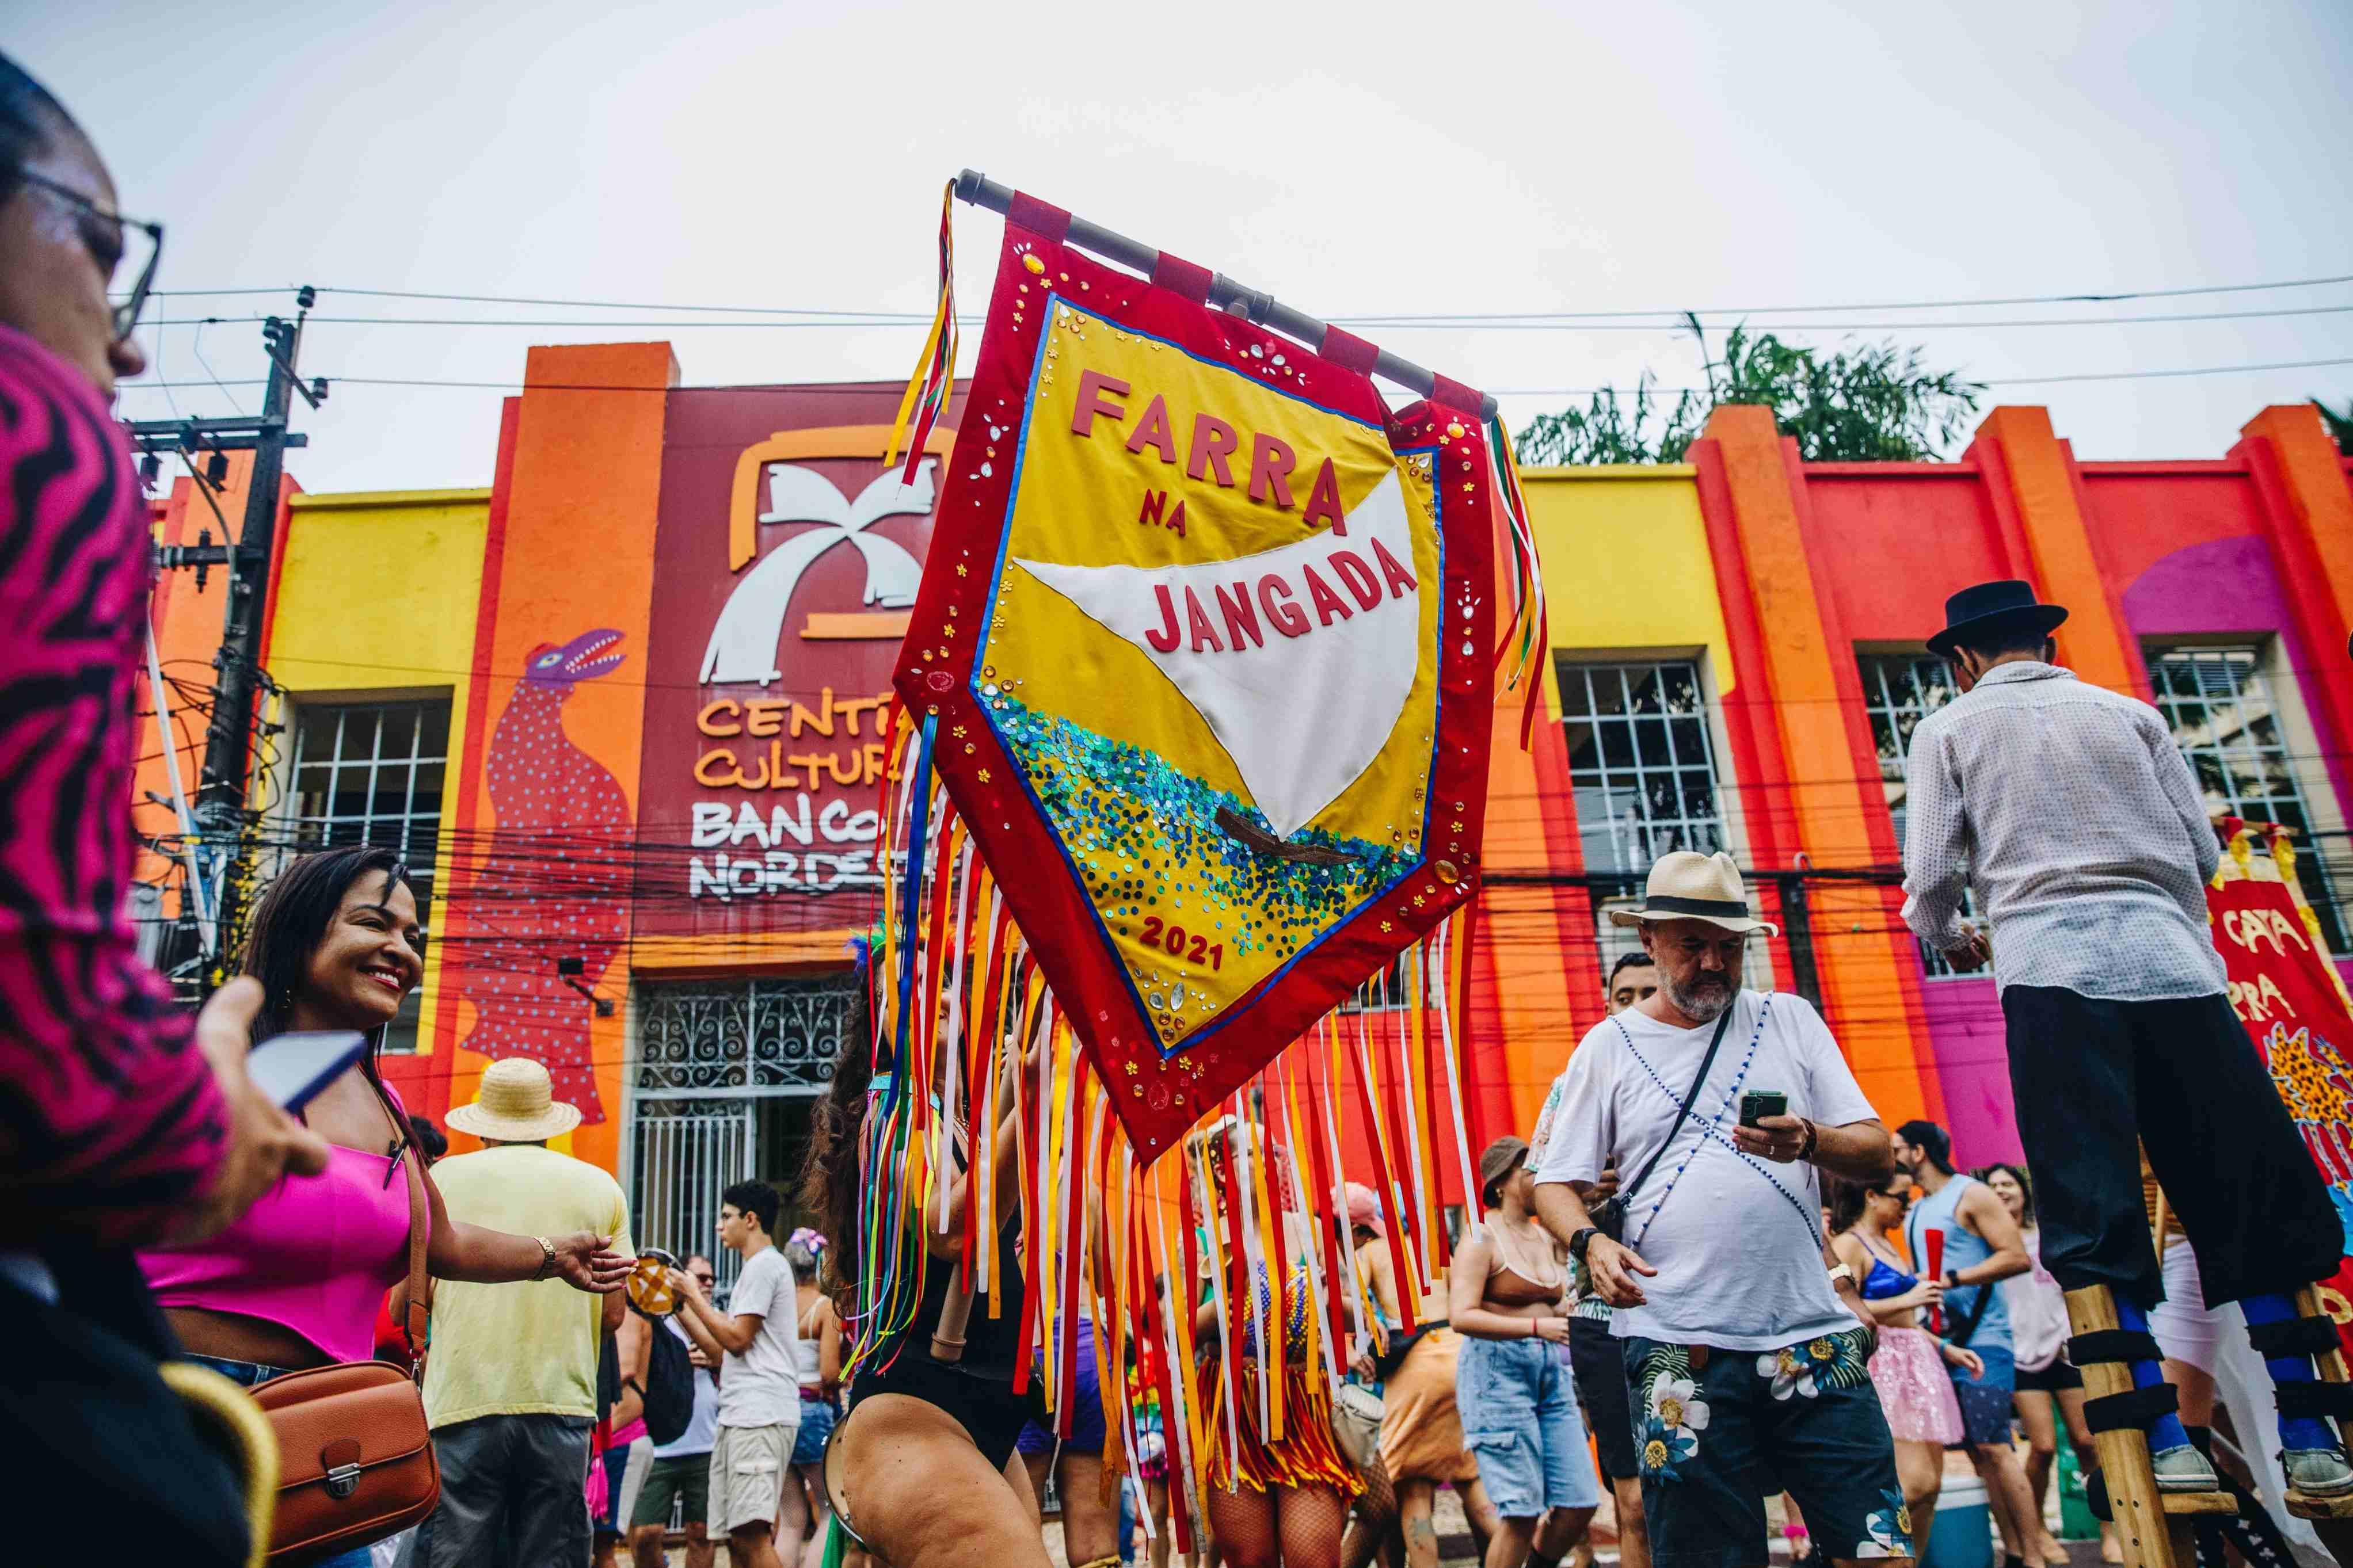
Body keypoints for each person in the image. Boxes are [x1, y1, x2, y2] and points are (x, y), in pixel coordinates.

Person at [0, 52, 332, 1566]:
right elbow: (59, 1077)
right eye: (107, 253)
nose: (125, 353)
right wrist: (194, 1105)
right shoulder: (36, 441)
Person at [1901, 578, 2353, 1495]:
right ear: (2050, 647)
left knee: (2090, 1202)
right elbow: (2202, 856)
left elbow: (1932, 879)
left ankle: (2163, 1438)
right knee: (2246, 1185)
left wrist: (1953, 935)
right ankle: (2311, 1427)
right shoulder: (2134, 716)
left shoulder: (1949, 730)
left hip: (2051, 978)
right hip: (2177, 971)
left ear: (1963, 660)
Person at [140, 848, 630, 1568]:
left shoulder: (386, 1103)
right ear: (300, 932)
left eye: (412, 938)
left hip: (331, 1440)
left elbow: (442, 1241)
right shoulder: (211, 1063)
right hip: (190, 1407)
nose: (401, 952)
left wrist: (554, 1255)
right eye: (375, 924)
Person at [1532, 850, 1913, 1567]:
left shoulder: (1788, 1019)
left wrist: (1809, 1138)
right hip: (1679, 1346)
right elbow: (1554, 1180)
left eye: (1728, 947)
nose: (1713, 961)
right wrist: (1589, 1243)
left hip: (1813, 1341)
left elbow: (1874, 1151)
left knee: (1879, 1552)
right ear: (1647, 941)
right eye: (1691, 945)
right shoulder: (1606, 1048)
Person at [801, 951, 1052, 1568]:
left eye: (945, 982)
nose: (937, 996)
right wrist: (1043, 1088)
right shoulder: (891, 1111)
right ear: (878, 1020)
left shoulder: (960, 1121)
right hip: (916, 1411)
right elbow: (953, 1229)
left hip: (985, 1416)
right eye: (908, 987)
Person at [409, 1052, 638, 1568]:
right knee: (550, 1555)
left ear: (484, 1123)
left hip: (461, 1401)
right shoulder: (600, 1186)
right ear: (548, 1122)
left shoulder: (442, 1177)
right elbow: (612, 1314)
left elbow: (411, 1297)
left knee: (457, 1551)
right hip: (560, 1403)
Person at [1187, 1118, 1364, 1568]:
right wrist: (1228, 1295)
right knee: (1251, 1561)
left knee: (1315, 1559)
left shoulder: (1307, 1229)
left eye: (1268, 1151)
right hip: (1234, 1411)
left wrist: (1321, 1295)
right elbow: (1180, 1332)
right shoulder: (1204, 1240)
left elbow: (1357, 1315)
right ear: (1222, 1169)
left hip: (1304, 1408)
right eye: (1249, 1152)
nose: (1264, 1159)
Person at [1531, 952, 1654, 1568]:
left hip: (1698, 1308)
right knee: (1632, 1502)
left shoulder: (1705, 1080)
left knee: (1703, 1490)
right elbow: (1538, 1194)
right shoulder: (1572, 1084)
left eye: (1647, 993)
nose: (1634, 1007)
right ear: (1606, 1007)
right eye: (1622, 996)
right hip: (1602, 1316)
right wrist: (1583, 1198)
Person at [1448, 1138, 1602, 1568]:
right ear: (1502, 1182)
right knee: (1520, 1510)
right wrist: (1536, 1325)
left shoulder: (1544, 1233)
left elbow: (1556, 1301)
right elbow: (1460, 1314)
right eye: (1531, 1168)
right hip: (1497, 1375)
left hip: (1551, 1374)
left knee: (1580, 1500)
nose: (1542, 1176)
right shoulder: (1481, 1236)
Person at [1890, 1121, 2038, 1568]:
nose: (1890, 1157)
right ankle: (2011, 1552)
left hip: (1986, 1340)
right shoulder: (1916, 1210)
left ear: (1918, 1152)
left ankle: (2035, 1555)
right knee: (1979, 1454)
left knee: (1996, 1446)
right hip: (1943, 1343)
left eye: (1897, 1149)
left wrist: (1952, 1278)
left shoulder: (1970, 1193)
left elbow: (2016, 1256)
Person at [1338, 1185, 1501, 1568]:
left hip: (1417, 1370)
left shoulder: (1372, 1252)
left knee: (1414, 1488)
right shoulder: (1436, 1251)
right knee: (1472, 1475)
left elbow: (1353, 1308)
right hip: (1460, 1360)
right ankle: (1514, 1555)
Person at [1827, 1173, 1977, 1562]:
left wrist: (1946, 1347)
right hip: (1884, 1368)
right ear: (1871, 1195)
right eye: (1899, 1197)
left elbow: (1908, 1320)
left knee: (1930, 1486)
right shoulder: (1849, 1244)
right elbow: (1842, 1309)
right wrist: (1909, 1296)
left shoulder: (1889, 1246)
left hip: (1918, 1363)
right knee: (1909, 1486)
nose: (1906, 1205)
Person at [1978, 1164, 2116, 1568]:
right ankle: (2033, 1525)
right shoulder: (1987, 1245)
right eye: (1994, 1186)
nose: (2002, 1191)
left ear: (2023, 1192)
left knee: (2088, 1441)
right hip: (2019, 1354)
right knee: (2041, 1446)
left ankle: (2108, 1528)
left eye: (2009, 1184)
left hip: (2062, 1349)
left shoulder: (2046, 1237)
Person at [669, 1181, 803, 1568]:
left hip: (759, 1416)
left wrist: (693, 1294)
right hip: (740, 1415)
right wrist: (679, 1305)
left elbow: (739, 1339)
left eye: (726, 1216)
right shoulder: (755, 1269)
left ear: (751, 1218)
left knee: (752, 1535)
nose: (719, 1225)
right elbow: (721, 1353)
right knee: (738, 1540)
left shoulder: (766, 1265)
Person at [631, 1254, 723, 1568]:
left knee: (701, 1532)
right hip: (661, 1443)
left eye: (711, 1278)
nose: (708, 1283)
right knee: (646, 1533)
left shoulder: (718, 1319)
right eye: (701, 1277)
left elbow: (725, 1357)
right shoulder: (659, 1316)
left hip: (707, 1441)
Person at [782, 1229, 841, 1568]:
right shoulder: (823, 1308)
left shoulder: (777, 1306)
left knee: (790, 1519)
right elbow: (830, 1374)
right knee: (828, 1509)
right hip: (812, 1412)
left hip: (778, 1411)